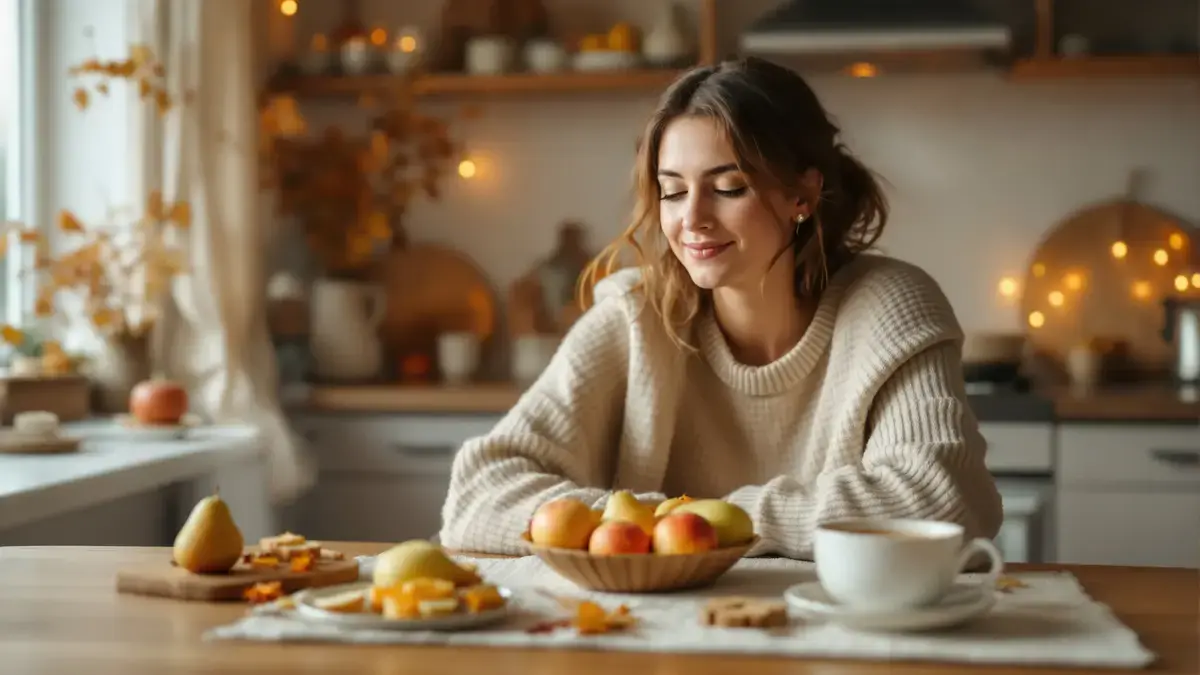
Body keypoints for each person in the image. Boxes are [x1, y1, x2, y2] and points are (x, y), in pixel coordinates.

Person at [438, 56, 1003, 558]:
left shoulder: (889, 306)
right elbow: (477, 496)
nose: (692, 219)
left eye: (728, 187)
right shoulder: (636, 314)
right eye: (673, 190)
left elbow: (940, 501)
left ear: (801, 195)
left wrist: (699, 527)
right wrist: (663, 528)